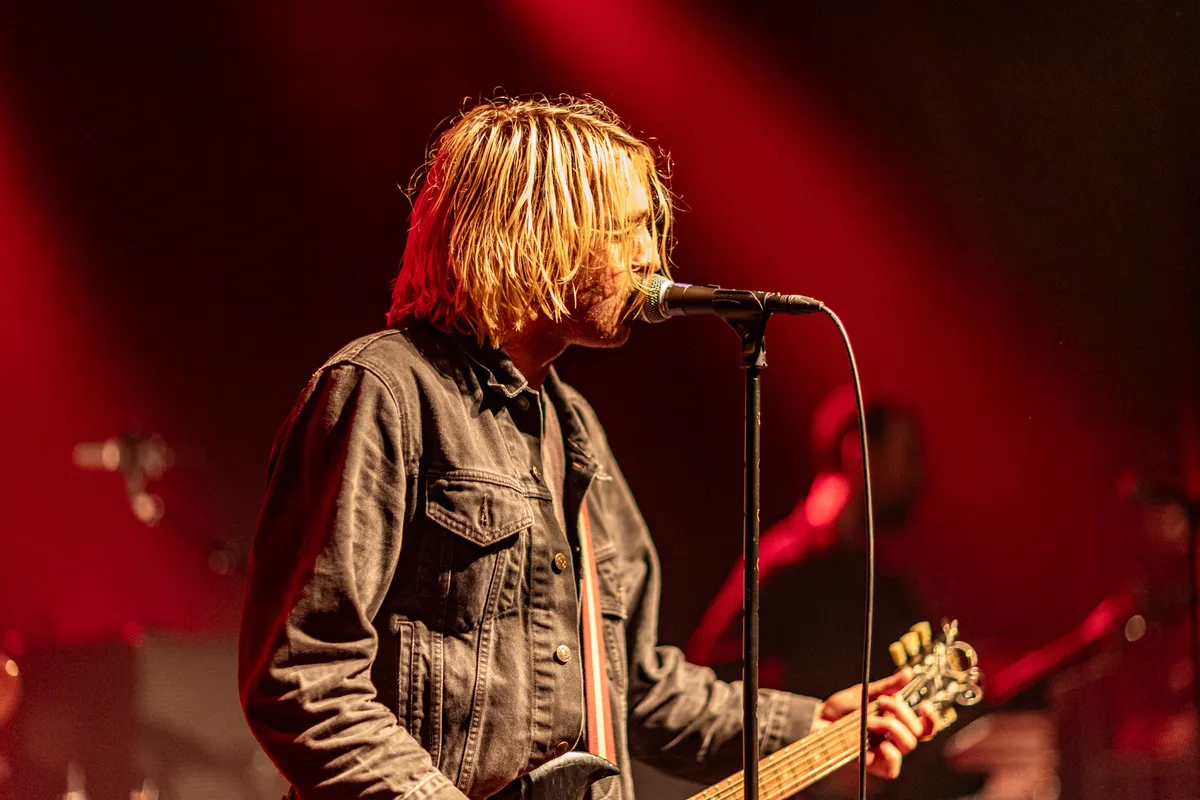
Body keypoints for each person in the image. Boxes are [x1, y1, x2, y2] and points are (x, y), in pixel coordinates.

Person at [238, 95, 937, 800]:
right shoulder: (381, 393)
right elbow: (307, 679)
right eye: (628, 230)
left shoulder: (573, 429)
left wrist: (812, 725)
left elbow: (639, 687)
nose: (651, 258)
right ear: (538, 230)